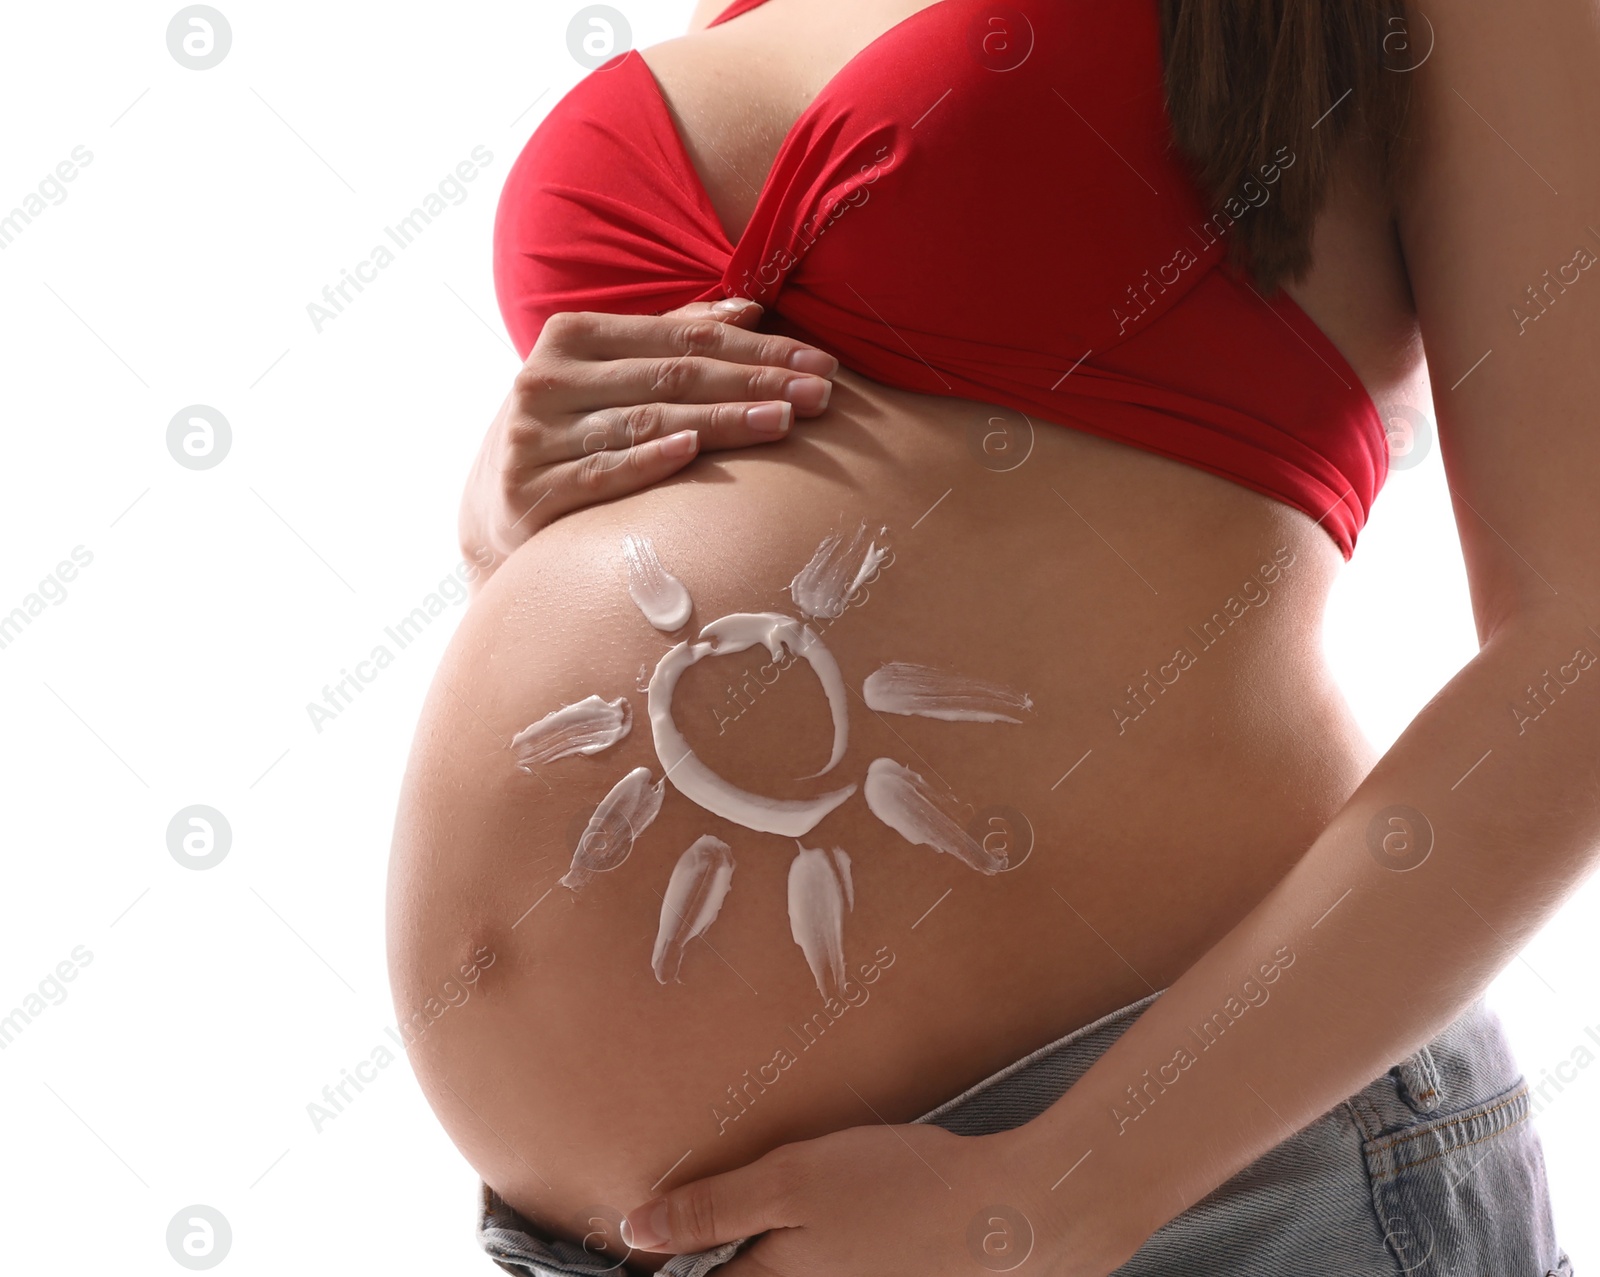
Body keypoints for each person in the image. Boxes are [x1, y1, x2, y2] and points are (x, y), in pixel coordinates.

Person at [387, 1, 1597, 1273]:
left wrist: (1071, 1183)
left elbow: (1577, 645)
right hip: (616, 1240)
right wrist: (496, 513)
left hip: (1177, 1178)